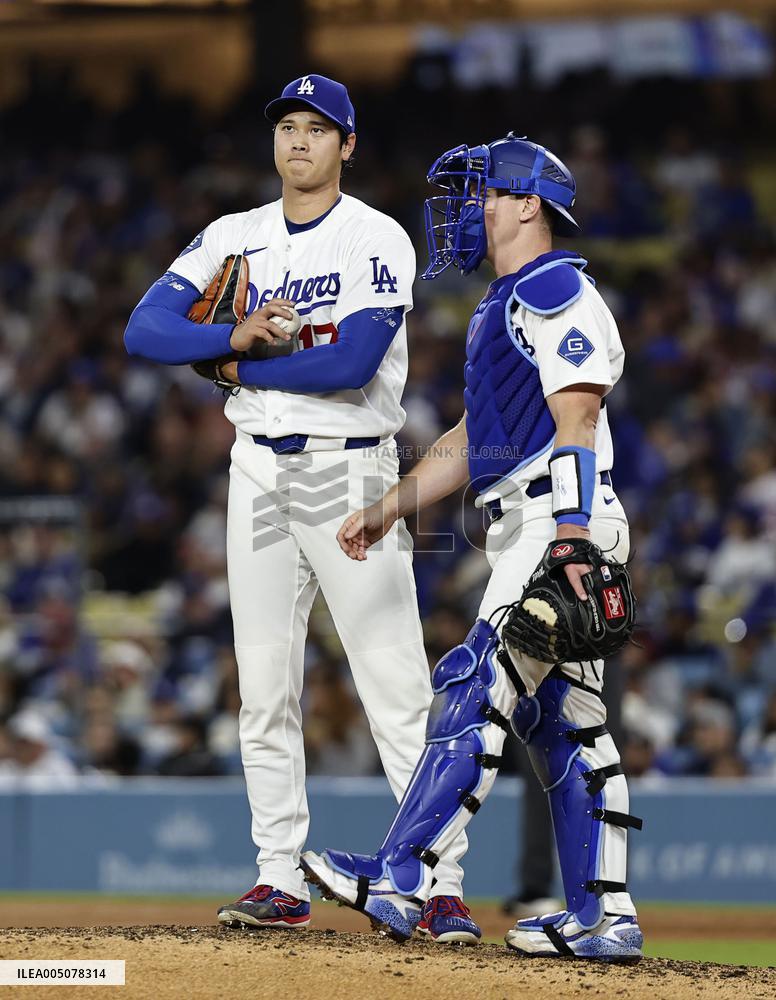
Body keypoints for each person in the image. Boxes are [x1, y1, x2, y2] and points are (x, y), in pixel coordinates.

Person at [123, 74, 473, 940]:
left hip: (348, 469)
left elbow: (349, 364)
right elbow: (143, 330)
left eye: (320, 129)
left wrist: (236, 366)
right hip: (257, 473)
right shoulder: (233, 236)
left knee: (393, 684)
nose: (301, 142)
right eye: (288, 126)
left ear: (348, 146)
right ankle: (280, 876)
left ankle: (436, 881)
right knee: (263, 686)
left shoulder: (373, 238)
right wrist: (229, 336)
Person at [302, 134, 645, 961]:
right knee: (566, 723)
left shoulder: (556, 284)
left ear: (529, 204)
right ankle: (606, 916)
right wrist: (393, 505)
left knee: (474, 684)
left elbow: (580, 418)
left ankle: (401, 874)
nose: (472, 207)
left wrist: (567, 538)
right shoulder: (507, 299)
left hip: (555, 520)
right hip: (533, 518)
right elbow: (472, 437)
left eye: (485, 191)